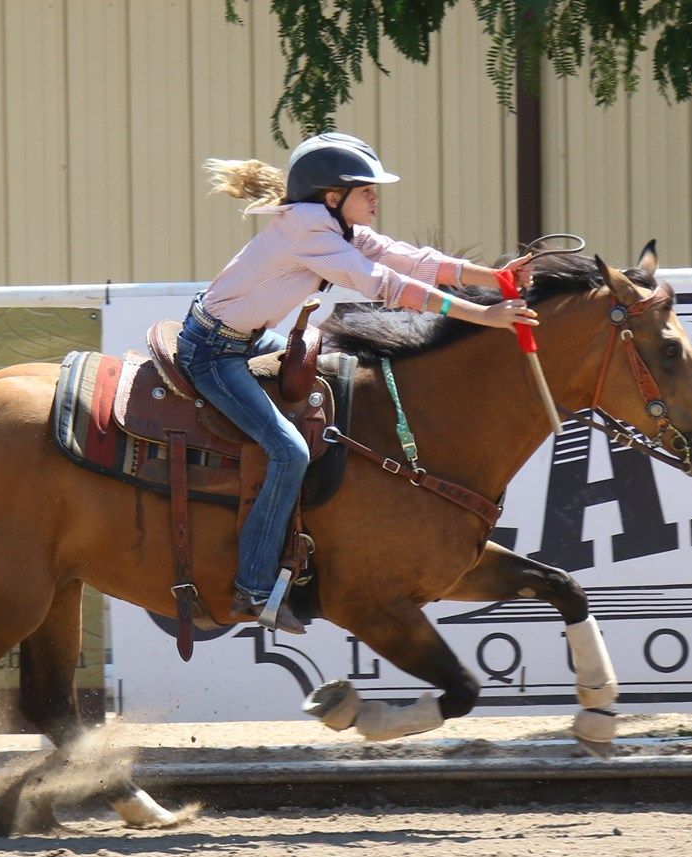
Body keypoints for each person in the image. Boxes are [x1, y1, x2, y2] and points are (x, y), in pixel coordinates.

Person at [185, 131, 539, 632]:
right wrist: (485, 316)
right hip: (213, 354)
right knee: (289, 451)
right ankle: (252, 587)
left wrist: (494, 277)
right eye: (365, 189)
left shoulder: (330, 226)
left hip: (239, 342)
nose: (375, 197)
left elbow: (410, 260)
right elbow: (385, 285)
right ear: (333, 196)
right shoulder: (313, 232)